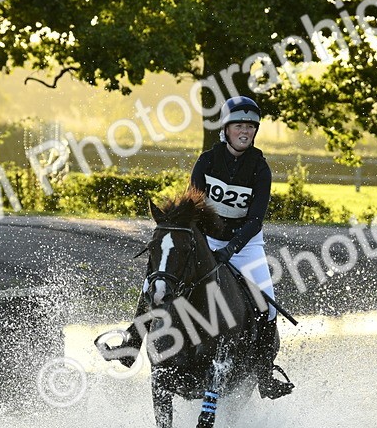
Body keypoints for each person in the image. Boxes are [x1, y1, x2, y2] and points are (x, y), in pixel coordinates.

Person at [100, 95, 293, 399]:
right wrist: (200, 244)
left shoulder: (260, 169)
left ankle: (265, 372)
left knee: (267, 307)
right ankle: (131, 344)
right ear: (226, 129)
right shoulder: (207, 161)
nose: (245, 132)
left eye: (251, 127)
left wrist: (230, 251)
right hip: (207, 239)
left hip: (245, 245)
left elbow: (255, 220)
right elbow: (193, 209)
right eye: (239, 126)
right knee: (156, 279)